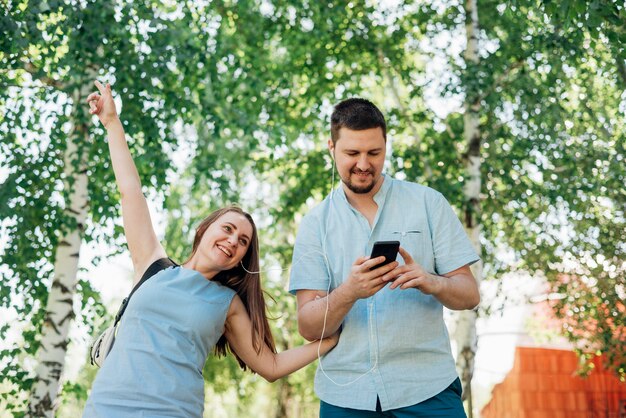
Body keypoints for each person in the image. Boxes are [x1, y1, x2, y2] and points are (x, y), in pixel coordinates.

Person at [83, 81, 338, 417]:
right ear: (204, 229)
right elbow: (131, 191)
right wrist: (113, 124)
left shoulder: (227, 303)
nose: (233, 241)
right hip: (107, 408)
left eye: (243, 242)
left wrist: (330, 341)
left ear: (242, 258)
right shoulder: (152, 265)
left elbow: (271, 365)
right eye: (228, 229)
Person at [289, 98, 480, 417]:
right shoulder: (315, 224)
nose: (364, 164)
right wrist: (350, 291)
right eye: (352, 153)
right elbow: (309, 327)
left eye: (374, 153)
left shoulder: (428, 203)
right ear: (331, 147)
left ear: (386, 146)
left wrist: (431, 282)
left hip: (428, 388)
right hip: (346, 394)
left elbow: (470, 294)